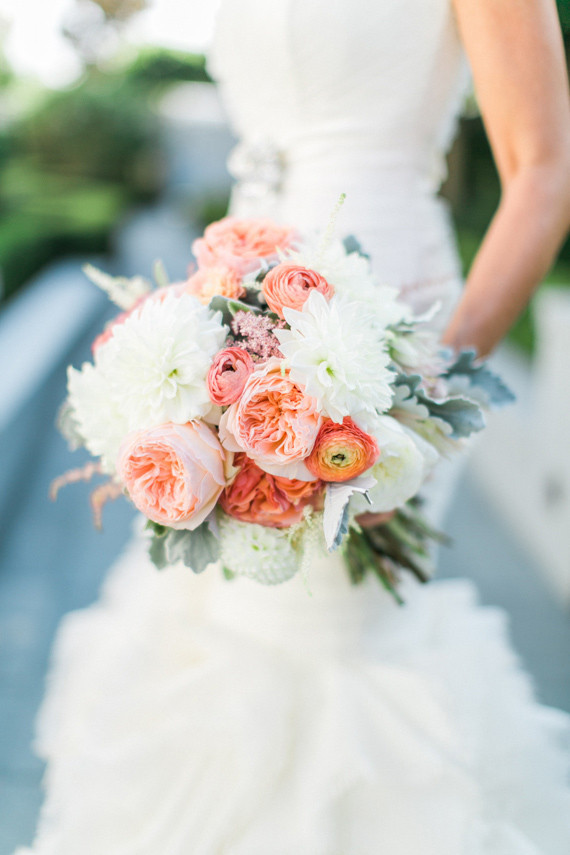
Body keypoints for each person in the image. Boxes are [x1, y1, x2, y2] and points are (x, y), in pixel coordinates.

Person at [16, 1, 570, 852]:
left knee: (326, 635)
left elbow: (546, 171)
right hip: (232, 313)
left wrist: (421, 405)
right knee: (213, 614)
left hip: (382, 324)